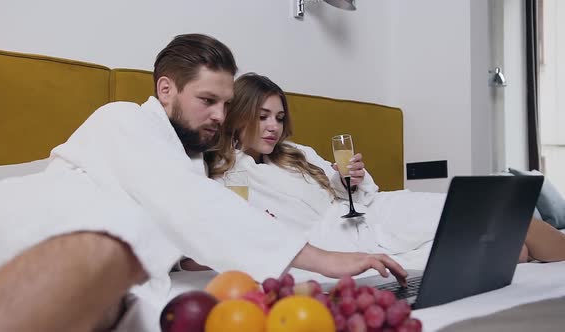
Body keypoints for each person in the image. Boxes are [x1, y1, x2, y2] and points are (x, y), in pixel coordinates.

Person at [0, 35, 408, 331]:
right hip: (36, 226)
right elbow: (190, 207)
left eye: (225, 103)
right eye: (207, 101)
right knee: (112, 240)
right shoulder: (123, 119)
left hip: (98, 262)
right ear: (166, 89)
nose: (221, 116)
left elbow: (174, 225)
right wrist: (326, 259)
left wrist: (191, 258)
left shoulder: (188, 159)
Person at [205, 72, 565, 265]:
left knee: (505, 215)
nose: (274, 127)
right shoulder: (226, 173)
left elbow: (357, 193)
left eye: (280, 118)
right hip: (341, 242)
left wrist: (354, 179)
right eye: (263, 116)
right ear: (238, 114)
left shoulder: (297, 153)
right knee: (510, 250)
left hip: (378, 214)